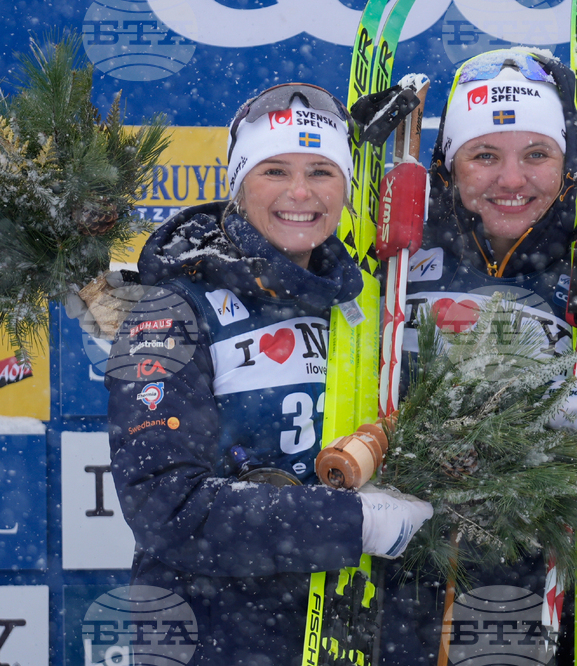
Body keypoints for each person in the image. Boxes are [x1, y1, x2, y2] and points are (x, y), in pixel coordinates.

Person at [378, 48, 577, 666]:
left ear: (567, 163)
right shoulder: (386, 262)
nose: (513, 181)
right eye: (486, 155)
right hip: (395, 604)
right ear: (449, 162)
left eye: (537, 155)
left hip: (542, 604)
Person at [104, 83, 434, 666]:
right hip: (216, 637)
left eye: (322, 171)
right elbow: (164, 506)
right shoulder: (169, 310)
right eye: (274, 170)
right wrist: (350, 523)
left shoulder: (364, 306)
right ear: (238, 182)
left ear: (346, 187)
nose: (301, 193)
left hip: (349, 633)